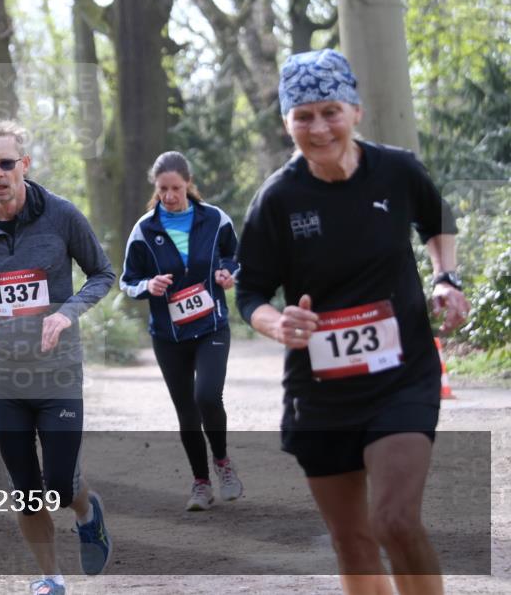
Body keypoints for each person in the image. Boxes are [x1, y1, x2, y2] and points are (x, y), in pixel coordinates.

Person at [235, 49, 470, 595]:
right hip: (321, 392)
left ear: (356, 111)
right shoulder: (278, 199)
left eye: (330, 111)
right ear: (287, 123)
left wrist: (446, 278)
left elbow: (438, 223)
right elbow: (250, 293)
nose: (319, 128)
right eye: (303, 116)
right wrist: (278, 324)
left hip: (401, 376)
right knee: (353, 542)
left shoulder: (398, 170)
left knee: (394, 521)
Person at [0, 120, 115, 595]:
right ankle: (50, 577)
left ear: (24, 166)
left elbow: (101, 273)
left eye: (6, 163)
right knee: (26, 487)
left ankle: (85, 510)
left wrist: (67, 313)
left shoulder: (61, 216)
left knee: (58, 481)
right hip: (3, 377)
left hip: (57, 373)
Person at [119, 151, 243, 512]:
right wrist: (148, 286)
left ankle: (223, 463)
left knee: (207, 396)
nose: (170, 195)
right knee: (186, 409)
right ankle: (201, 483)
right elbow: (128, 281)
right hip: (168, 335)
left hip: (211, 326)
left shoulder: (215, 219)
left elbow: (235, 257)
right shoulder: (145, 229)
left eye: (176, 188)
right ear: (155, 189)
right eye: (163, 189)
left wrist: (228, 273)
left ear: (189, 184)